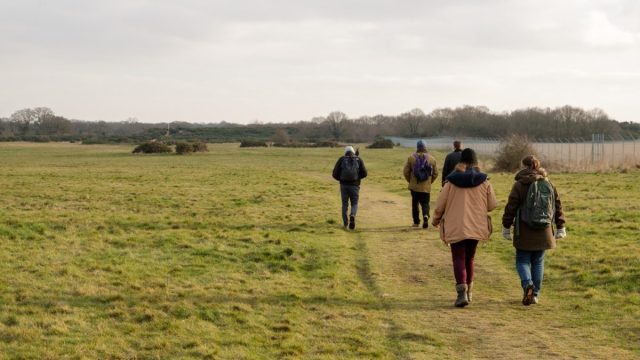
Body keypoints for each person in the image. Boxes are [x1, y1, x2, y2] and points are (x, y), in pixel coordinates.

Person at [432, 148, 497, 307]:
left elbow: (440, 205)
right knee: (470, 258)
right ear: (476, 162)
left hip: (456, 225)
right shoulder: (484, 181)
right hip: (476, 225)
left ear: (460, 161)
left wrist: (436, 220)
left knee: (458, 257)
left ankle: (461, 293)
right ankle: (469, 292)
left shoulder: (451, 181)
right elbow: (492, 205)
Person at [502, 155, 566, 306]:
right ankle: (535, 294)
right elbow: (557, 206)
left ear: (523, 166)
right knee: (538, 262)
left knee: (522, 260)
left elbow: (511, 207)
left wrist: (506, 226)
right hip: (544, 230)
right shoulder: (548, 182)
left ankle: (527, 284)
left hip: (524, 230)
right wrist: (561, 226)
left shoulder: (519, 184)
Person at [403, 140, 438, 228]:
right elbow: (435, 173)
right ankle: (426, 216)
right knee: (425, 203)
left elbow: (406, 172)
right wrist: (430, 182)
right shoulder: (432, 159)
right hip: (426, 187)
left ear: (417, 147)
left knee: (415, 204)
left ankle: (416, 222)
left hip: (414, 186)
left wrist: (410, 181)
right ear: (425, 147)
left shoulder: (411, 158)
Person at [332, 146, 368, 230]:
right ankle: (352, 215)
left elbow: (334, 174)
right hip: (355, 186)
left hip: (344, 186)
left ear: (345, 152)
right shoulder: (359, 160)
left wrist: (341, 179)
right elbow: (365, 173)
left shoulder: (341, 159)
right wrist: (357, 179)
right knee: (354, 203)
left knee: (344, 204)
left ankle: (345, 224)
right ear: (353, 152)